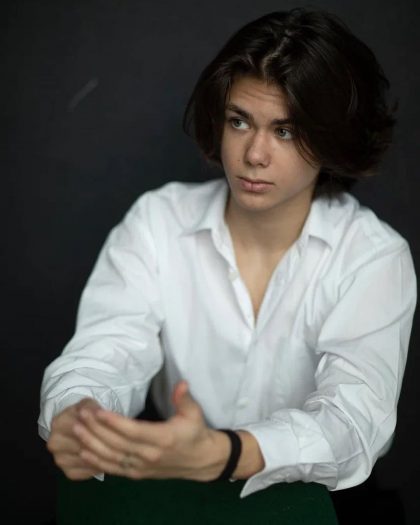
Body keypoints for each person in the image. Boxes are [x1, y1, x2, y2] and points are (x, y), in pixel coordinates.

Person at [38, 7, 416, 500]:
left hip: (326, 501)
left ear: (331, 139)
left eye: (285, 130)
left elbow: (354, 419)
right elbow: (107, 350)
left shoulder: (373, 257)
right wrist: (78, 416)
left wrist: (228, 453)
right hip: (174, 485)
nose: (254, 154)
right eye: (240, 121)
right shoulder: (158, 221)